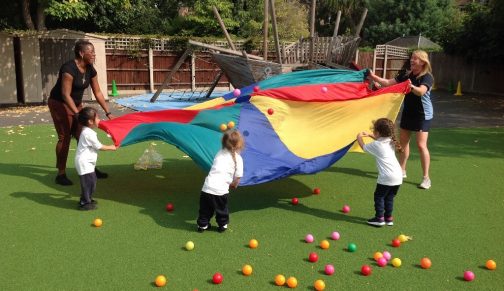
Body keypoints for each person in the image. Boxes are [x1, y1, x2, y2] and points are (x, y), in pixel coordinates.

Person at [48, 40, 115, 186]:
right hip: (59, 103)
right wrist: (77, 114)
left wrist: (108, 112)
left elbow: (97, 92)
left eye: (94, 52)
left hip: (76, 104)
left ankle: (90, 169)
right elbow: (65, 95)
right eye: (90, 52)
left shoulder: (91, 69)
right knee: (64, 137)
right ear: (81, 53)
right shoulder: (69, 69)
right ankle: (61, 174)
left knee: (83, 134)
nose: (93, 55)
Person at [368, 50, 434, 189]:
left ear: (422, 62)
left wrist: (411, 86)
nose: (412, 60)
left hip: (423, 115)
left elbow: (421, 91)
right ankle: (402, 170)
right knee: (402, 145)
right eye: (412, 58)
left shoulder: (427, 77)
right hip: (408, 113)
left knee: (421, 146)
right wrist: (372, 76)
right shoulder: (406, 75)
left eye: (415, 59)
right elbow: (387, 82)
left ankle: (426, 178)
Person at [357, 118, 403, 227]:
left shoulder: (377, 145)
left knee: (379, 196)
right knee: (389, 197)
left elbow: (363, 147)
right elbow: (380, 139)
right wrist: (370, 135)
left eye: (374, 131)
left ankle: (379, 218)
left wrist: (359, 137)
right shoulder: (391, 141)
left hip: (387, 177)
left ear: (378, 132)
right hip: (398, 176)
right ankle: (388, 218)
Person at [197, 130, 244, 233]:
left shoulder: (219, 152)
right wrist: (234, 185)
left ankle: (202, 225)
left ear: (223, 143)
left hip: (207, 188)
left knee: (205, 209)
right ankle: (222, 225)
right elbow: (238, 177)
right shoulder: (238, 159)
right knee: (221, 209)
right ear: (239, 145)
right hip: (220, 191)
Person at [75, 107, 116, 210]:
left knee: (91, 181)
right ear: (90, 121)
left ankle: (87, 198)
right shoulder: (88, 133)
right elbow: (99, 146)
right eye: (97, 118)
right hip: (84, 163)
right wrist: (112, 147)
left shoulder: (87, 131)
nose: (99, 120)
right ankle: (84, 202)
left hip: (87, 162)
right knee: (88, 182)